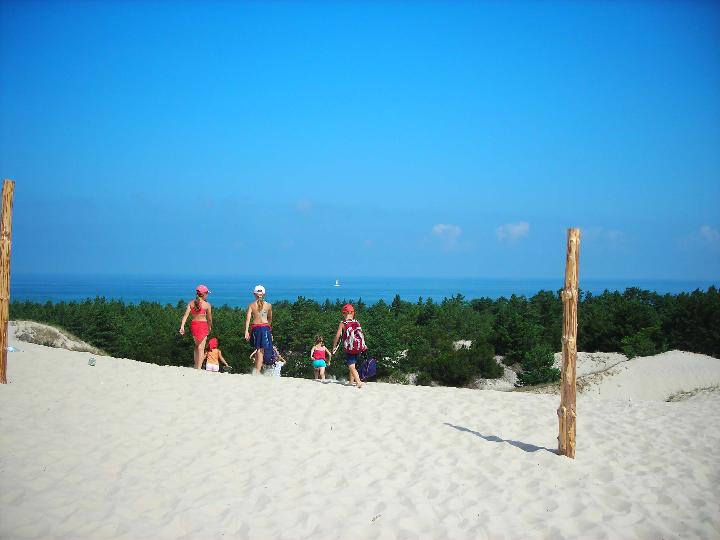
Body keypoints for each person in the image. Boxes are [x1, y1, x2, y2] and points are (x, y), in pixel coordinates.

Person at [332, 303, 365, 388]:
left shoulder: (343, 323)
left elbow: (337, 336)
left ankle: (358, 382)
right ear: (353, 313)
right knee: (353, 365)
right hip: (358, 347)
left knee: (351, 366)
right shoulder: (357, 322)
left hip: (349, 348)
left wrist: (334, 346)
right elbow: (360, 334)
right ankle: (351, 382)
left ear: (343, 313)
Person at [179, 284, 212, 369]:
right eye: (207, 293)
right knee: (201, 348)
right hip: (203, 326)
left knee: (197, 346)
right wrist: (210, 327)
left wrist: (182, 326)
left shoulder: (191, 303)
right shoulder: (207, 305)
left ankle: (195, 365)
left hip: (194, 325)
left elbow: (185, 316)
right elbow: (209, 319)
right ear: (204, 294)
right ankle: (199, 368)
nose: (207, 295)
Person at [244, 284, 274, 374]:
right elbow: (270, 319)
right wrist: (269, 330)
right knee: (261, 350)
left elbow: (248, 319)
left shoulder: (251, 305)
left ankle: (256, 369)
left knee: (258, 349)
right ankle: (257, 371)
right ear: (264, 294)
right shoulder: (268, 305)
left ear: (254, 294)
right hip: (265, 328)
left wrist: (246, 331)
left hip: (255, 329)